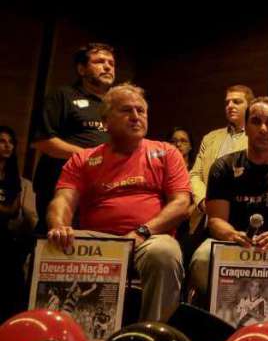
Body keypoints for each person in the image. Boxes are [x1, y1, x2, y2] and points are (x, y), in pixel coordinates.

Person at [45, 83, 190, 322]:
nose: (136, 117)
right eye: (126, 110)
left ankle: (151, 334)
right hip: (98, 241)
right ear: (105, 121)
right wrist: (59, 226)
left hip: (147, 240)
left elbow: (181, 203)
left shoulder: (166, 152)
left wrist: (142, 231)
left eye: (141, 111)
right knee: (46, 250)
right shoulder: (84, 159)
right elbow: (63, 200)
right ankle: (61, 331)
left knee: (164, 252)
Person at [189, 96, 268, 300]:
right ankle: (219, 319)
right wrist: (232, 235)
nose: (263, 128)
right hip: (231, 244)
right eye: (256, 121)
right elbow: (215, 220)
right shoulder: (223, 167)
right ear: (245, 128)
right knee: (202, 258)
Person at [32, 43, 116, 229]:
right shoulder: (63, 96)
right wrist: (90, 158)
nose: (107, 66)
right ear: (81, 69)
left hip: (102, 191)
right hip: (61, 187)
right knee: (56, 243)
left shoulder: (116, 105)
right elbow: (43, 141)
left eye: (111, 63)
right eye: (99, 61)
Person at [187, 85, 253, 238]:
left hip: (238, 219)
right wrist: (204, 200)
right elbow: (195, 174)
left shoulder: (257, 139)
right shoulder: (210, 138)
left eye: (236, 102)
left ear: (250, 106)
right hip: (203, 218)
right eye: (227, 103)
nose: (230, 106)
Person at [0, 126, 37, 317]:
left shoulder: (22, 184)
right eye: (2, 141)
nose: (7, 146)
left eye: (10, 142)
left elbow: (31, 218)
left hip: (10, 245)